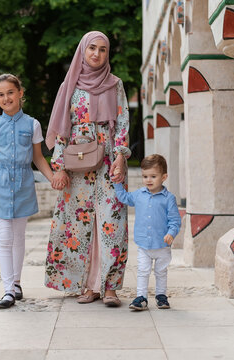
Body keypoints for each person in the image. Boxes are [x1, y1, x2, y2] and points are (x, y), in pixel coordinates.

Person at [44, 31, 131, 307]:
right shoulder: (69, 85)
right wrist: (58, 167)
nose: (96, 54)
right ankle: (88, 285)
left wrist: (120, 157)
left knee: (112, 222)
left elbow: (123, 121)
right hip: (76, 163)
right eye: (92, 48)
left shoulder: (115, 84)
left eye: (103, 50)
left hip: (108, 162)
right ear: (83, 50)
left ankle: (110, 287)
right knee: (78, 224)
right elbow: (61, 129)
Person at [0, 73, 54, 309]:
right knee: (4, 238)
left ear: (20, 93)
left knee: (18, 237)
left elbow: (38, 157)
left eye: (10, 92)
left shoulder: (32, 124)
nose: (6, 98)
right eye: (1, 95)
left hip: (23, 185)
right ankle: (8, 290)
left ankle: (17, 281)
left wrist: (53, 178)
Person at [114, 154, 181, 310]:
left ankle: (161, 296)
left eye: (153, 176)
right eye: (145, 176)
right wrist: (117, 182)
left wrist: (171, 233)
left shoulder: (168, 198)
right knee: (143, 271)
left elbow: (175, 220)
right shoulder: (139, 195)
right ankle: (141, 297)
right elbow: (124, 197)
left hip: (162, 245)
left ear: (164, 177)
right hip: (144, 244)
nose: (148, 180)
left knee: (161, 272)